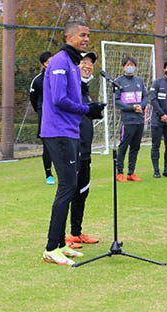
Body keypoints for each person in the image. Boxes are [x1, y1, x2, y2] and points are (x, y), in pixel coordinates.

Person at [41, 22, 105, 266]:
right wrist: (86, 109)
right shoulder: (59, 61)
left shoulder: (72, 63)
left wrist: (88, 111)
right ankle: (50, 248)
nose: (86, 39)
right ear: (69, 36)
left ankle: (60, 244)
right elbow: (58, 99)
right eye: (82, 35)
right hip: (58, 132)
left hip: (69, 131)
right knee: (67, 187)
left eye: (88, 35)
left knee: (70, 186)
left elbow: (72, 99)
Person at [66, 51, 100, 249]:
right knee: (69, 192)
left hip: (86, 151)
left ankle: (76, 233)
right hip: (73, 149)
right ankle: (62, 239)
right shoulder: (72, 87)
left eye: (90, 63)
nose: (87, 66)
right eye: (83, 62)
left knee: (82, 192)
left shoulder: (85, 89)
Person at [115, 56, 149, 183]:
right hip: (127, 120)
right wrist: (131, 107)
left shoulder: (139, 81)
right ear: (123, 66)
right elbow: (117, 101)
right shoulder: (118, 82)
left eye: (132, 65)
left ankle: (131, 172)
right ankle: (119, 172)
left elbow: (146, 96)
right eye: (128, 65)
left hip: (139, 120)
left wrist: (142, 105)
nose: (130, 67)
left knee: (135, 147)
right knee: (123, 147)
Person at [29, 51, 54, 185]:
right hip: (44, 116)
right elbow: (33, 99)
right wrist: (40, 111)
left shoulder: (60, 76)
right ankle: (49, 174)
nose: (51, 64)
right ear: (43, 64)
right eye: (48, 62)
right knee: (48, 146)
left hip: (59, 116)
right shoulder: (38, 80)